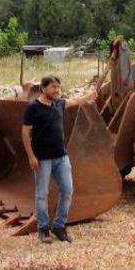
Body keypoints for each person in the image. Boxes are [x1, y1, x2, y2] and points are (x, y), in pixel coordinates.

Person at [21, 74, 97, 243]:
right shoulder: (33, 108)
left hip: (61, 157)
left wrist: (89, 97)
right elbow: (25, 133)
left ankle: (59, 226)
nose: (57, 90)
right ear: (43, 88)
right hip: (42, 159)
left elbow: (75, 101)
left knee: (67, 190)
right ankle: (43, 229)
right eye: (53, 87)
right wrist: (31, 156)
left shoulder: (59, 104)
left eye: (58, 87)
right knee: (42, 194)